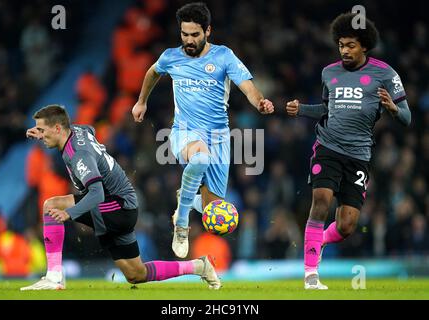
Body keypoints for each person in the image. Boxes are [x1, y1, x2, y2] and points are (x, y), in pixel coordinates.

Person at [20, 105, 221, 290]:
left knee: (50, 205)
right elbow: (89, 129)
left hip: (116, 206)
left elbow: (96, 193)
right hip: (124, 206)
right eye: (38, 130)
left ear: (57, 128)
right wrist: (42, 132)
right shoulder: (78, 131)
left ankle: (54, 275)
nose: (40, 135)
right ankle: (199, 266)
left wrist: (70, 214)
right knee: (135, 274)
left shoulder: (79, 155)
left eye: (42, 131)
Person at [132, 2, 274, 258]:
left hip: (219, 137)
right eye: (184, 34)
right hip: (184, 132)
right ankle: (182, 223)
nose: (189, 39)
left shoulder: (223, 56)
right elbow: (153, 72)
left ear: (208, 31)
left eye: (194, 34)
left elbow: (248, 87)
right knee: (199, 156)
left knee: (213, 211)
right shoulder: (170, 57)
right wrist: (141, 101)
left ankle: (185, 198)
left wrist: (260, 102)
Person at [285, 12, 411, 289]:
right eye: (341, 45)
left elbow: (407, 117)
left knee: (347, 226)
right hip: (327, 146)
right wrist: (301, 110)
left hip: (359, 155)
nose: (344, 50)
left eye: (350, 45)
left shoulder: (385, 74)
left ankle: (319, 242)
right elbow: (327, 109)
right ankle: (310, 275)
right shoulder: (328, 73)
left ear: (364, 45)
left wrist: (392, 108)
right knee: (321, 200)